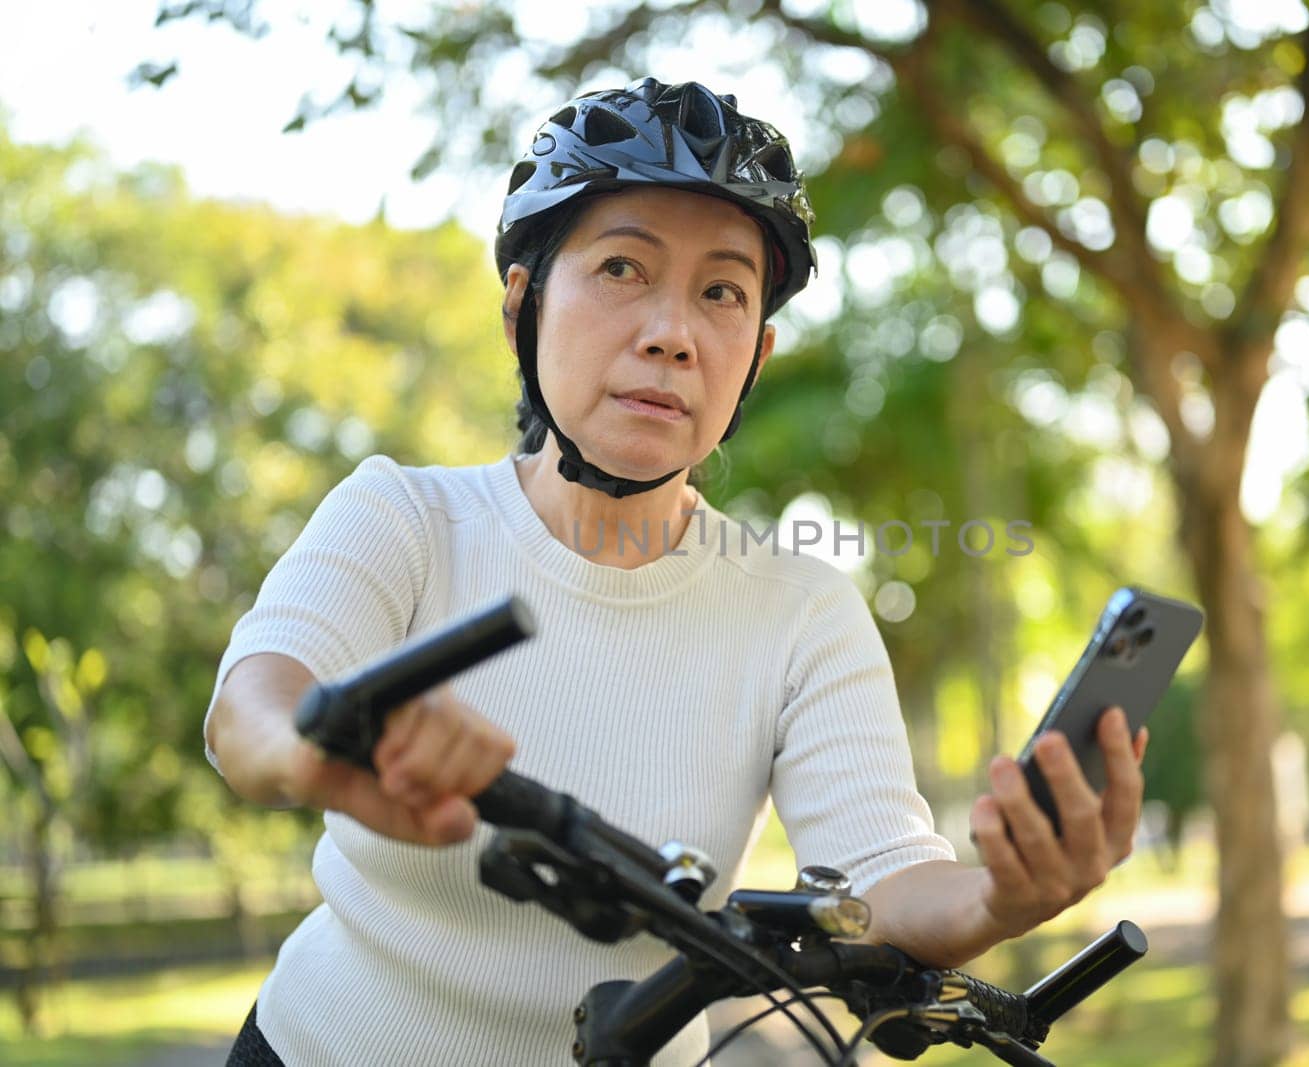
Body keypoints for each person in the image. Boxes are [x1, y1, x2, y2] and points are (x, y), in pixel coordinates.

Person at [204, 77, 1149, 1067]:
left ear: (756, 353)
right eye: (621, 266)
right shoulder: (406, 516)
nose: (672, 331)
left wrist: (1004, 895)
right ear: (522, 305)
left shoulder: (798, 604)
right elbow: (255, 702)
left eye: (722, 292)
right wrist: (323, 746)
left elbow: (881, 878)